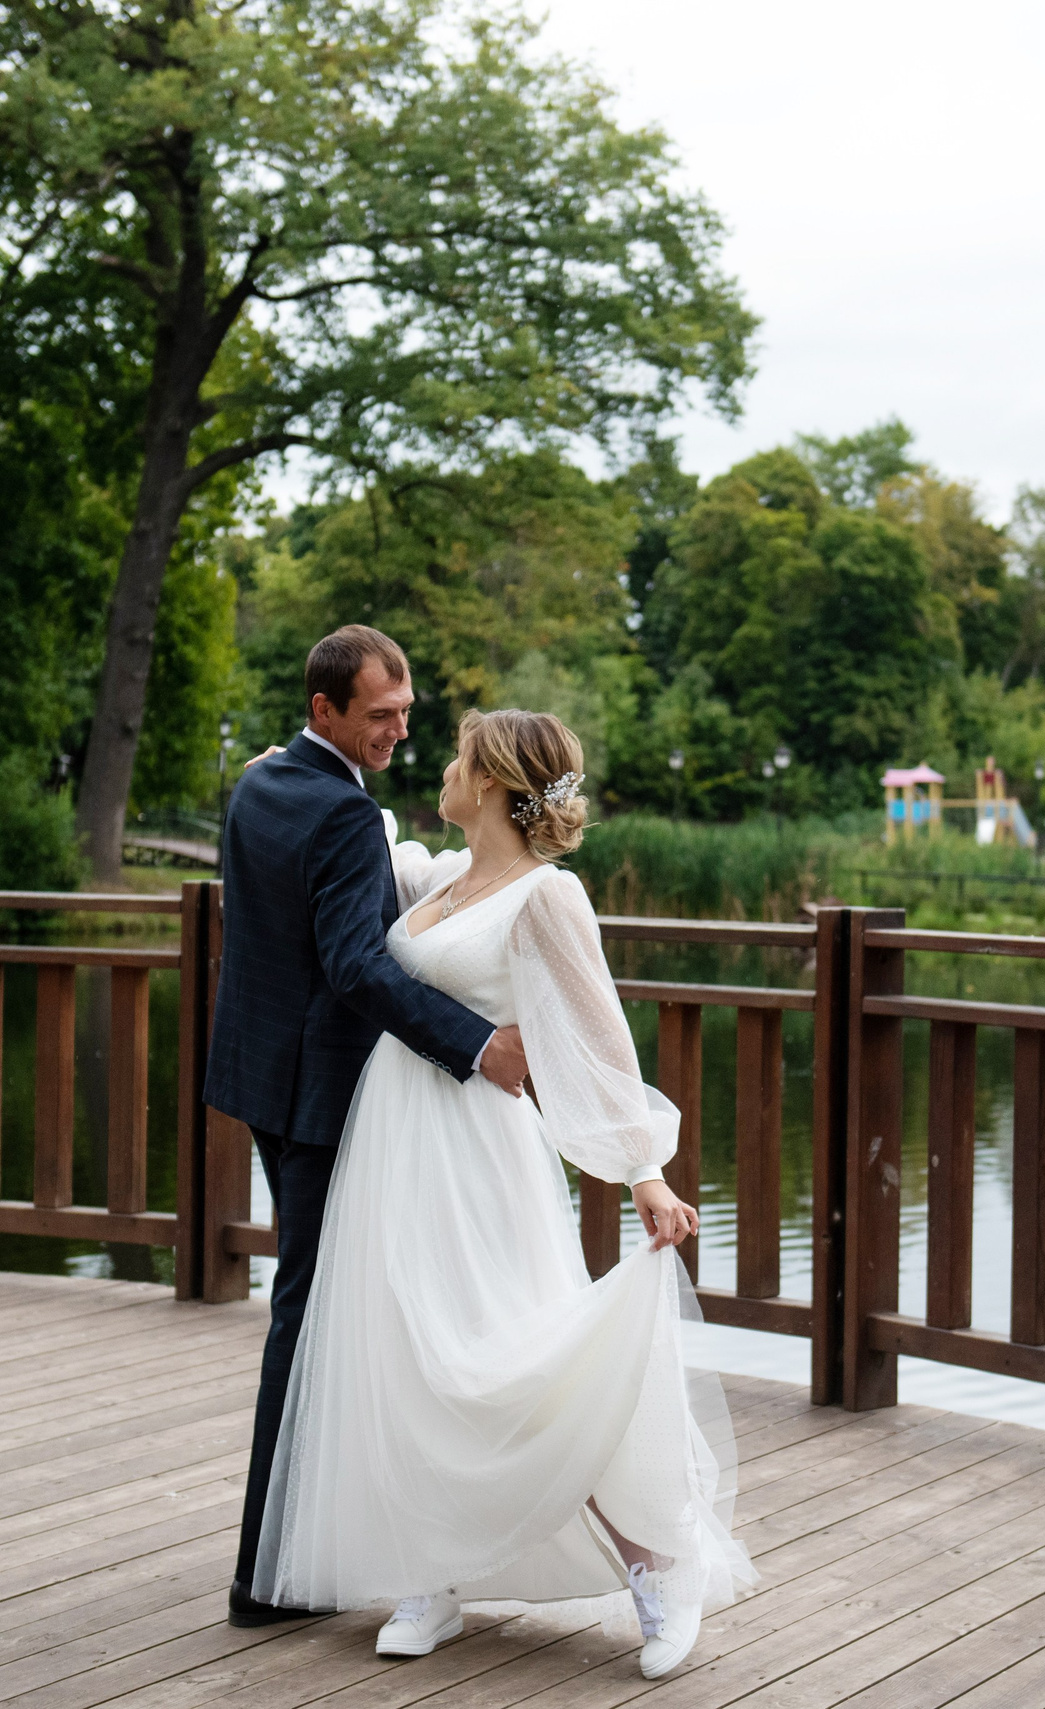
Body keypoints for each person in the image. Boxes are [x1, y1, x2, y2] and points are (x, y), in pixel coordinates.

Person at [248, 706, 756, 1680]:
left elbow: (596, 1040)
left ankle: (660, 1571)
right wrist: (293, 773)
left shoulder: (546, 898)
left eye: (454, 756)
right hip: (389, 1143)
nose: (438, 766)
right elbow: (370, 842)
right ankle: (431, 1576)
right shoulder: (439, 879)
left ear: (486, 780)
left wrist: (642, 1169)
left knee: (518, 1362)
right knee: (406, 1354)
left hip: (478, 1152)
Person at [206, 625, 533, 1630]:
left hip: (260, 1075)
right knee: (308, 1320)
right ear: (325, 712)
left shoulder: (260, 784)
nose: (399, 725)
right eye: (379, 712)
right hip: (318, 1096)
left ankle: (310, 1553)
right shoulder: (346, 817)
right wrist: (476, 1045)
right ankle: (266, 1577)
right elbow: (355, 965)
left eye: (404, 708)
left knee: (316, 1313)